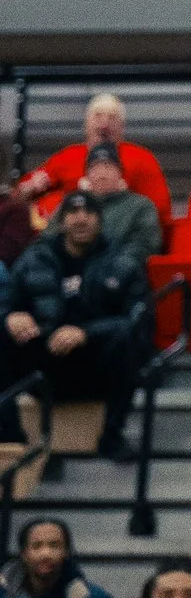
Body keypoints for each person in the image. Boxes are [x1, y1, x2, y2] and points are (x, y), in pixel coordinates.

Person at [3, 192, 150, 458]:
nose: (80, 220)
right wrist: (10, 316)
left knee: (127, 340)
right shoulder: (33, 259)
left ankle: (112, 437)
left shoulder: (124, 264)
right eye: (72, 213)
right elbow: (7, 301)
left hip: (96, 368)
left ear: (100, 220)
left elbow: (138, 321)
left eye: (89, 213)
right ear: (61, 221)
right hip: (44, 363)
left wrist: (85, 333)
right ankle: (14, 441)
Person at [10, 94, 172, 230]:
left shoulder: (142, 159)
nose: (104, 123)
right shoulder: (68, 156)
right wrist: (28, 190)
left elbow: (160, 212)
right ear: (86, 124)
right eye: (98, 116)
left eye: (112, 117)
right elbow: (20, 193)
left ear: (122, 127)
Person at [77, 146, 160, 260]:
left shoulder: (140, 206)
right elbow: (51, 238)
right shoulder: (73, 205)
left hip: (120, 269)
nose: (102, 174)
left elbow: (147, 244)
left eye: (108, 167)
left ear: (120, 173)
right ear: (87, 176)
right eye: (95, 168)